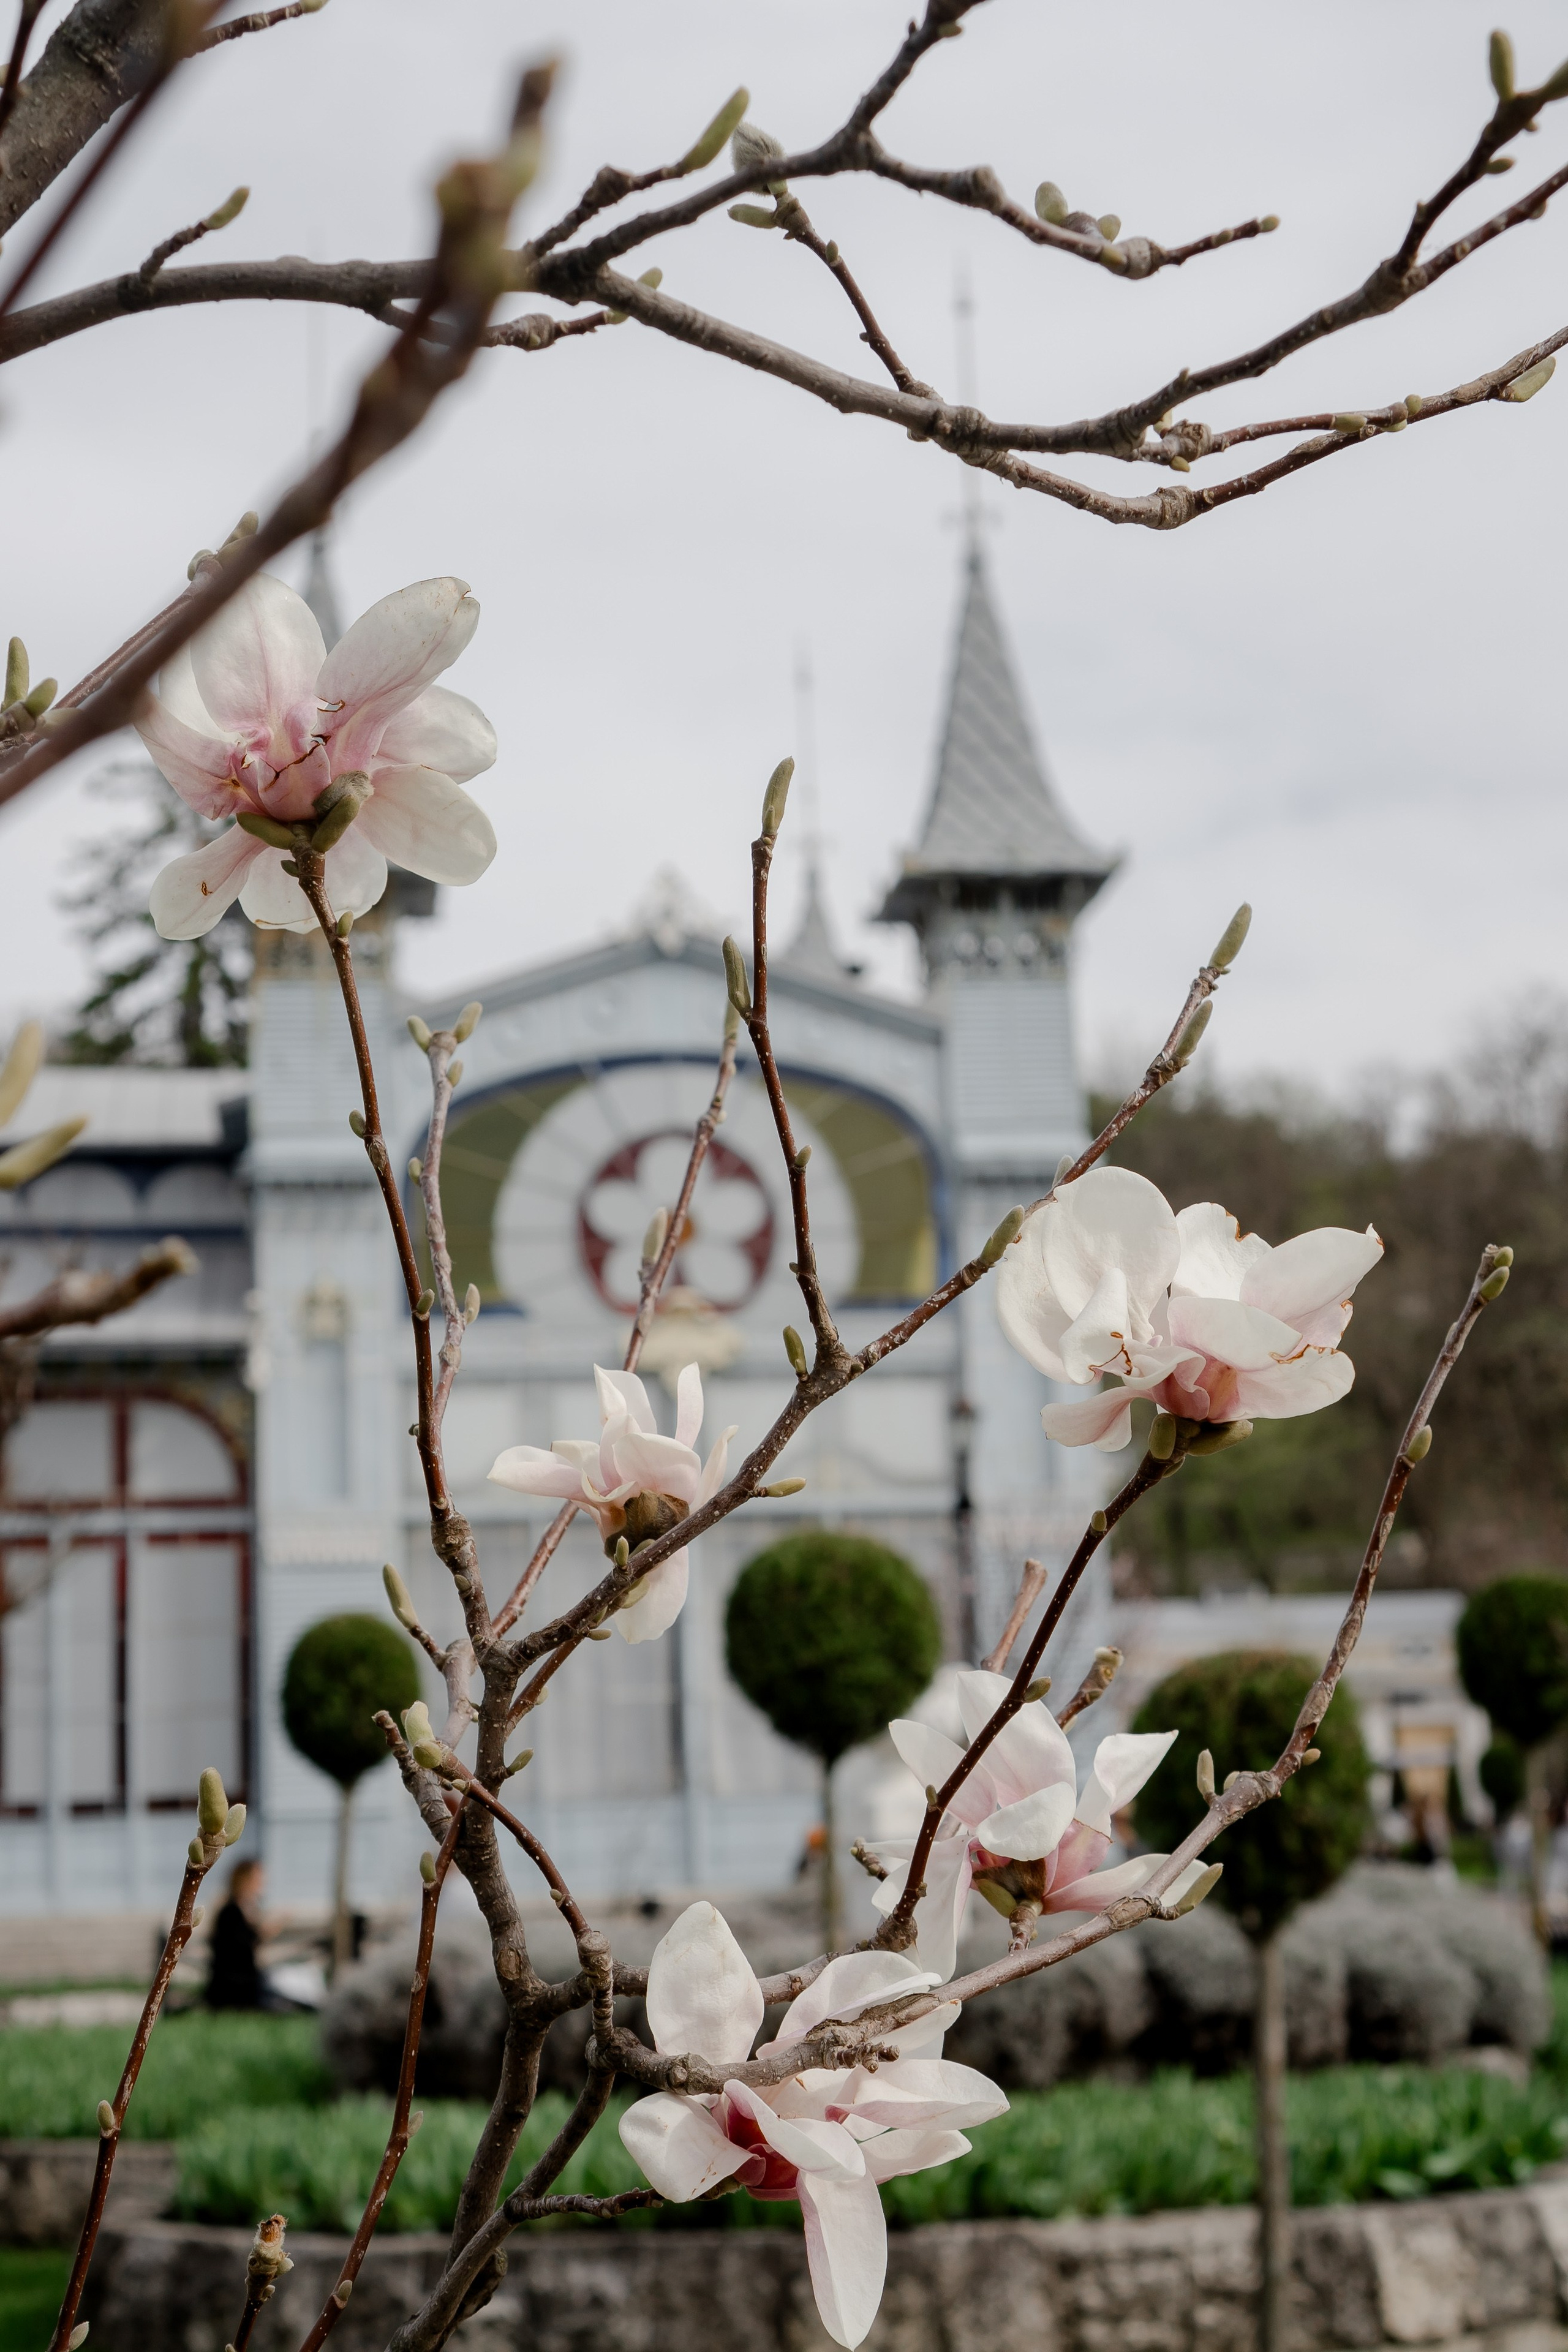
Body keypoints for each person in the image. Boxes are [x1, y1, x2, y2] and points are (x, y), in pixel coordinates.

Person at [205, 1856, 274, 2010]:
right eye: (258, 1878)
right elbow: (237, 1951)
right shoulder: (230, 1912)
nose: (263, 1883)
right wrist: (263, 1933)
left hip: (243, 1985)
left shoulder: (245, 1909)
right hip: (234, 1988)